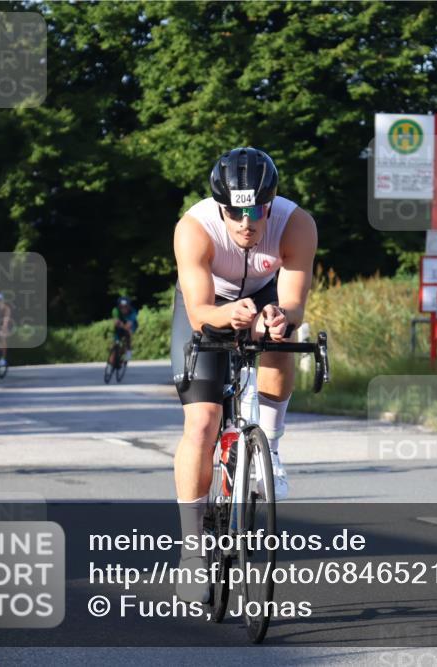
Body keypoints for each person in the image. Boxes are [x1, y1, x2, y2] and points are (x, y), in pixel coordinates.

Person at [170, 147, 317, 601]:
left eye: (256, 211)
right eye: (235, 212)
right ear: (221, 207)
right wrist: (228, 314)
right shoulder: (194, 229)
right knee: (203, 423)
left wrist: (277, 317)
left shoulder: (297, 224)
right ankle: (193, 553)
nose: (246, 223)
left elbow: (293, 302)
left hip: (264, 295)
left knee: (279, 337)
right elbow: (199, 314)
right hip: (209, 304)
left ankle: (268, 448)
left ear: (270, 204)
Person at [111, 296, 138, 364]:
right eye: (121, 307)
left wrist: (123, 325)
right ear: (118, 306)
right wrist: (119, 324)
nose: (123, 309)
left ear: (129, 306)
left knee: (128, 334)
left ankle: (128, 353)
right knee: (116, 343)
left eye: (125, 306)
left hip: (131, 325)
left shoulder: (133, 311)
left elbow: (129, 325)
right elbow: (116, 322)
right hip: (120, 325)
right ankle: (113, 360)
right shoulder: (115, 310)